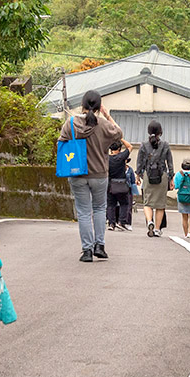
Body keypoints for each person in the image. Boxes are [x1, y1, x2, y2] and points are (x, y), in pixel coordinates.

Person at [58, 89, 123, 262]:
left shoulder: (70, 123)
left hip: (77, 174)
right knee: (100, 208)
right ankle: (99, 246)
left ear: (82, 104)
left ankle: (87, 251)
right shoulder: (103, 124)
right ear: (99, 106)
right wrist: (107, 116)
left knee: (84, 212)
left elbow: (61, 143)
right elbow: (119, 133)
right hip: (100, 174)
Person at [135, 120, 174, 237]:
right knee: (160, 205)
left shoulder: (143, 145)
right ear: (160, 132)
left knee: (147, 202)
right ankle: (157, 229)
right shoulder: (165, 145)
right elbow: (170, 163)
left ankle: (149, 221)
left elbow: (139, 163)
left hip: (148, 175)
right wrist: (171, 177)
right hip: (162, 176)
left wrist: (138, 175)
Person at [106, 138, 136, 232]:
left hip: (110, 184)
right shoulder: (122, 156)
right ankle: (121, 222)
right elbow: (130, 146)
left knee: (111, 204)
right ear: (119, 148)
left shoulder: (106, 158)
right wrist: (121, 138)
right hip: (121, 183)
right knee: (124, 203)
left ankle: (111, 223)